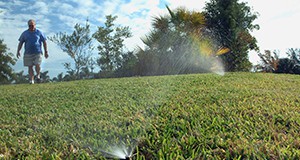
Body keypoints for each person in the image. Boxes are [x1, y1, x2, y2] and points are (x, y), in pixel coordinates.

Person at [17, 19, 48, 84]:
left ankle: (38, 76)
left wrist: (46, 51)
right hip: (28, 52)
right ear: (28, 26)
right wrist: (18, 51)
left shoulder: (39, 32)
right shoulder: (25, 33)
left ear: (35, 25)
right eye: (30, 26)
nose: (31, 27)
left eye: (32, 25)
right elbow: (21, 43)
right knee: (30, 66)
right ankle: (32, 80)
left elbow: (44, 42)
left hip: (38, 52)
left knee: (37, 64)